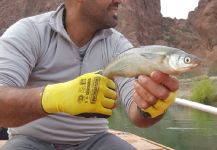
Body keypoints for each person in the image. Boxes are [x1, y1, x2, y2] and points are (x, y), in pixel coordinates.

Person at [0, 0, 179, 149]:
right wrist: (54, 97)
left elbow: (138, 116)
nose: (120, 0)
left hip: (94, 141)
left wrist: (151, 106)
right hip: (30, 142)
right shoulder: (28, 32)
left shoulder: (118, 46)